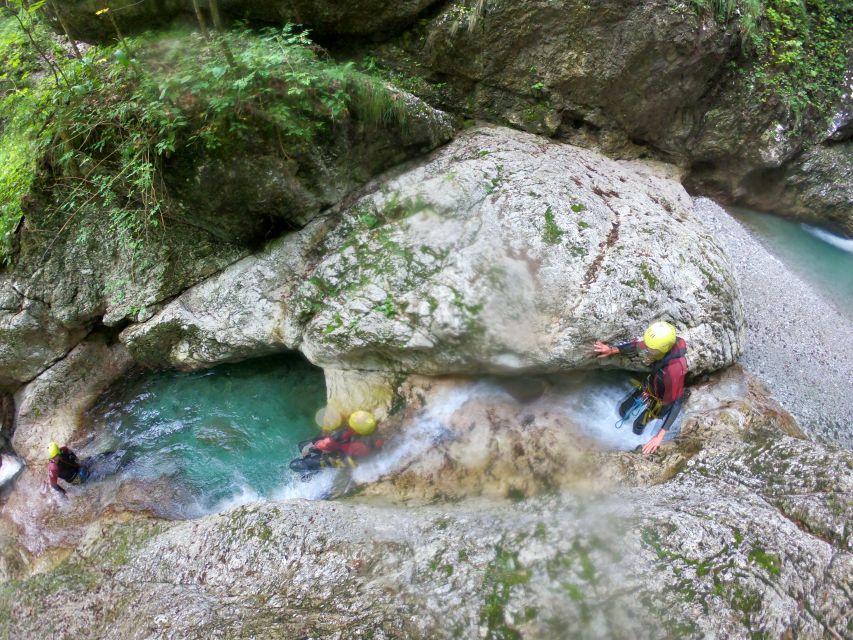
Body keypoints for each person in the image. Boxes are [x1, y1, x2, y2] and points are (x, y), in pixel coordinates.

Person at [594, 320, 688, 455]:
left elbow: (676, 403)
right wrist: (612, 349)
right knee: (624, 407)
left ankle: (636, 432)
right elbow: (639, 345)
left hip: (662, 401)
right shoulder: (663, 343)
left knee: (640, 422)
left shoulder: (674, 371)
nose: (647, 350)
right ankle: (623, 416)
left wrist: (659, 437)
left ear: (663, 349)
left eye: (652, 350)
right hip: (650, 385)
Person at [290, 410, 384, 474]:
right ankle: (318, 466)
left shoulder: (341, 435)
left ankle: (313, 473)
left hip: (343, 459)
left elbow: (326, 444)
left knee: (297, 462)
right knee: (308, 446)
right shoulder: (373, 434)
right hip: (355, 457)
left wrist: (310, 447)